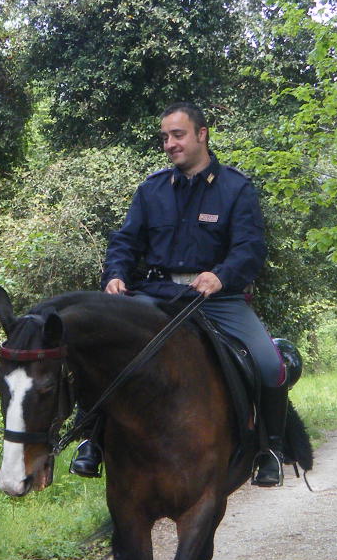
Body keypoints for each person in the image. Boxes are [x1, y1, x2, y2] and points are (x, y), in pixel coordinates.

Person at [78, 101, 291, 486]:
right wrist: (115, 275)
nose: (170, 144)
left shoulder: (236, 188)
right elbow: (124, 242)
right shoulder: (151, 189)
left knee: (269, 365)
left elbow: (250, 248)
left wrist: (220, 276)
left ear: (201, 134)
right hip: (155, 295)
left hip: (217, 300)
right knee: (103, 350)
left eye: (178, 135)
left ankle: (269, 448)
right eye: (165, 137)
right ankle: (92, 441)